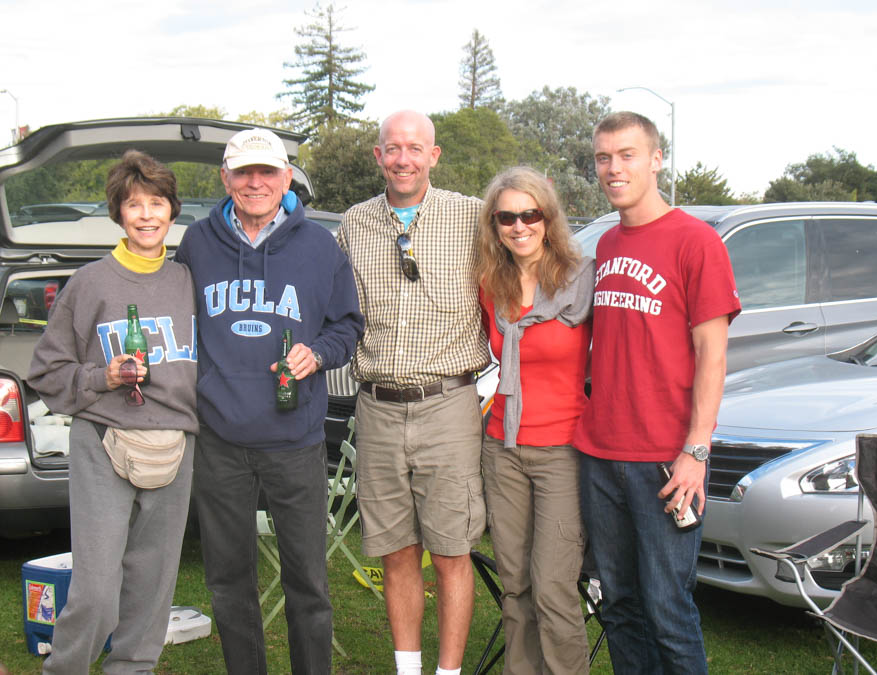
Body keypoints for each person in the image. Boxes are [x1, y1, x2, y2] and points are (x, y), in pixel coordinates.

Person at [174, 128, 363, 674]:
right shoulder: (198, 244)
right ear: (225, 179)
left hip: (294, 439)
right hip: (221, 441)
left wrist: (318, 355)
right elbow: (179, 324)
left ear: (286, 179)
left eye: (267, 172)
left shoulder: (319, 247)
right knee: (229, 583)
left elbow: (347, 327)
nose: (255, 183)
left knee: (308, 583)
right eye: (243, 173)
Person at [574, 111, 742, 673]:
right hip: (601, 455)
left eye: (626, 155)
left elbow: (712, 356)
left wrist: (696, 452)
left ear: (655, 159)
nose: (613, 168)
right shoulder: (607, 245)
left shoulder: (696, 242)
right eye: (603, 157)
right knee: (619, 606)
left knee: (668, 609)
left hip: (665, 464)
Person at [28, 150, 198, 673]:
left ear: (172, 211)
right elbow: (46, 373)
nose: (146, 215)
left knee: (152, 586)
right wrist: (105, 376)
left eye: (156, 203)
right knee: (97, 589)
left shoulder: (188, 281)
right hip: (103, 441)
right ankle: (66, 668)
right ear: (118, 214)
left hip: (176, 443)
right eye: (133, 205)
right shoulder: (89, 284)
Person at [336, 110, 490, 675]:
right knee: (397, 553)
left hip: (448, 404)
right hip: (375, 407)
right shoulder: (354, 223)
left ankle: (447, 673)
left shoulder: (473, 217)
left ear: (434, 155)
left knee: (451, 551)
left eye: (415, 148)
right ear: (378, 156)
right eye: (393, 148)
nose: (404, 159)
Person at [476, 166, 594, 674]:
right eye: (507, 217)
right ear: (495, 223)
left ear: (547, 218)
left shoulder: (581, 279)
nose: (519, 226)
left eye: (530, 214)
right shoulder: (490, 283)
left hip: (563, 450)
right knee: (515, 586)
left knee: (554, 589)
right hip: (502, 446)